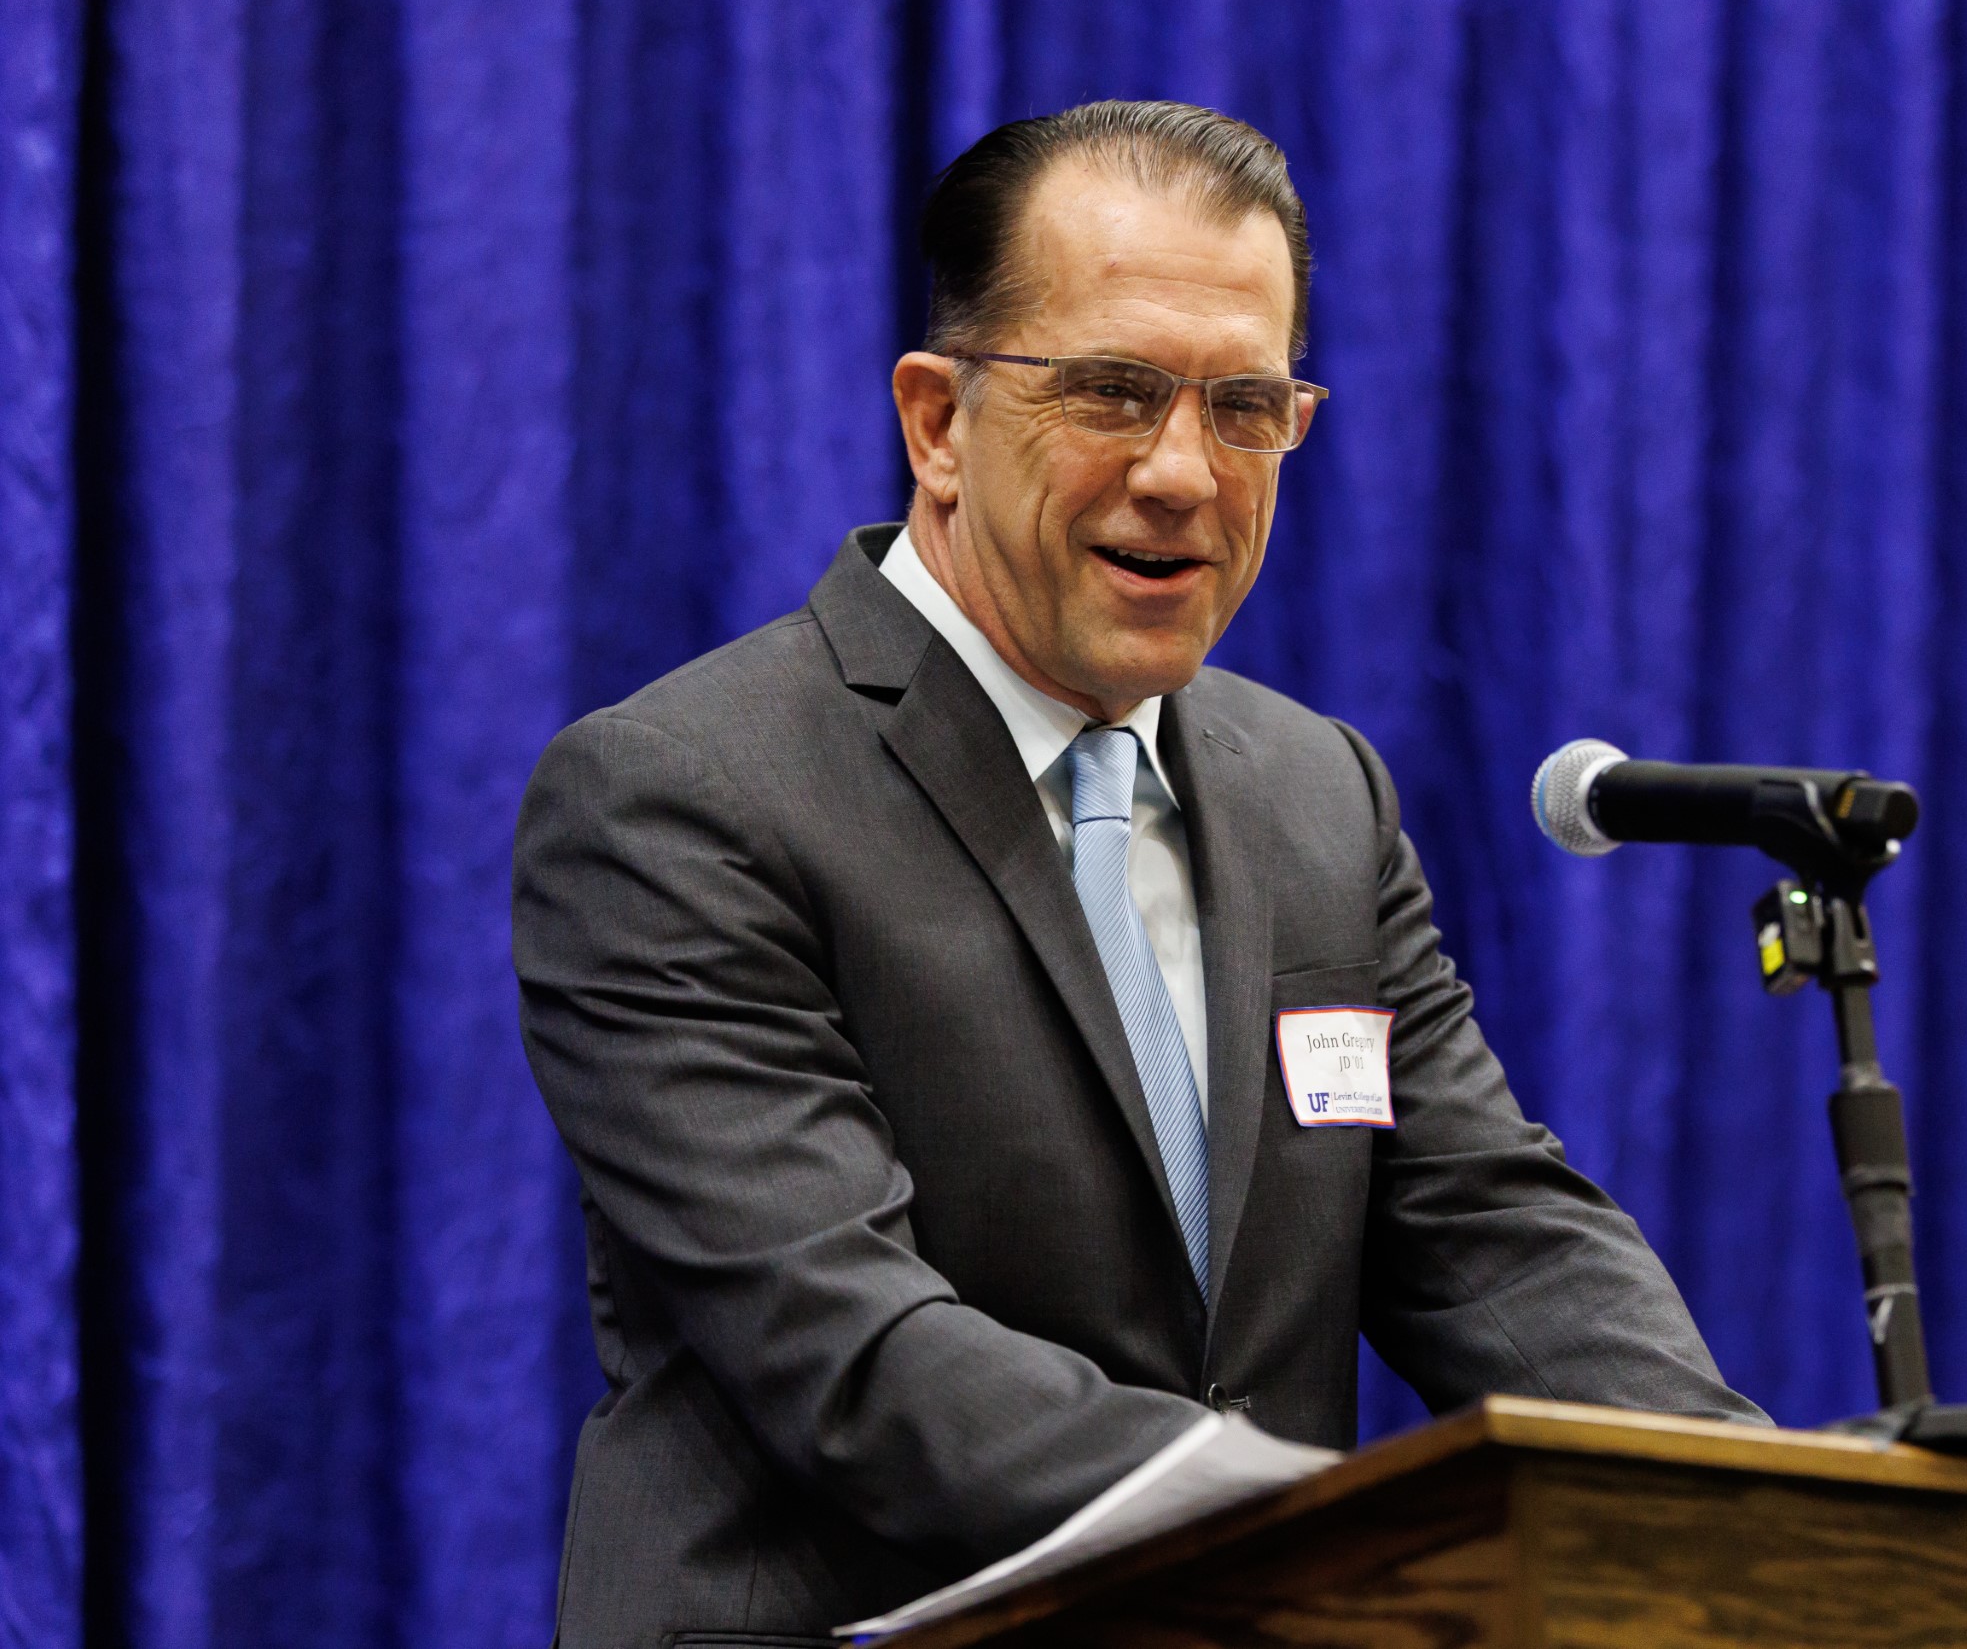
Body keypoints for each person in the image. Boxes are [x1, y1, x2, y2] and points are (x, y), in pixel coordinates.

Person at [513, 99, 1763, 1649]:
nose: (1184, 472)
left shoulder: (1321, 792)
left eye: (1247, 406)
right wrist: (1312, 1532)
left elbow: (1491, 1232)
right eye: (1113, 391)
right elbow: (843, 1339)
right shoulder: (682, 794)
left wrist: (1755, 1519)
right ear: (936, 422)